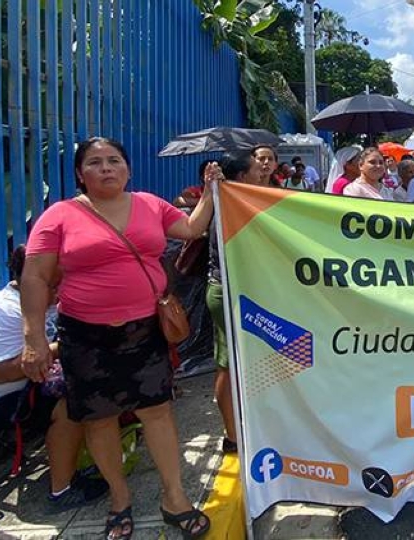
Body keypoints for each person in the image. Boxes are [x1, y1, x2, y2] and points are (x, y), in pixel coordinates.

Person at [21, 137, 216, 539]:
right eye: (95, 162)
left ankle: (174, 496)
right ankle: (119, 497)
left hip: (145, 331)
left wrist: (211, 191)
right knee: (99, 418)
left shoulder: (150, 204)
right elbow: (36, 276)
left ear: (128, 169)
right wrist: (34, 337)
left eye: (114, 160)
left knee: (157, 411)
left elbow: (192, 228)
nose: (106, 168)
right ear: (80, 174)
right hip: (84, 336)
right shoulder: (59, 215)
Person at [0, 246, 108, 513]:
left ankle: (90, 457)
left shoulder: (39, 299)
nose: (57, 293)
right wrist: (62, 348)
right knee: (71, 403)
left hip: (30, 382)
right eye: (52, 286)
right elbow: (1, 373)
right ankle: (61, 490)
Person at [205, 153, 266, 455]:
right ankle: (232, 435)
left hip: (243, 291)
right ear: (242, 177)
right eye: (257, 168)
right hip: (228, 292)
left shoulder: (243, 203)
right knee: (228, 365)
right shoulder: (228, 208)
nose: (263, 171)